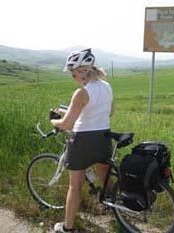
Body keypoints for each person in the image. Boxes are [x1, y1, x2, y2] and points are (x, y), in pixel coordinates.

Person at [50, 48, 114, 233]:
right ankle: (115, 210)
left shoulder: (81, 93)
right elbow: (109, 112)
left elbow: (67, 124)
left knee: (75, 187)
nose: (73, 78)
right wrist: (75, 112)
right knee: (106, 178)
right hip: (103, 138)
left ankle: (67, 228)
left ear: (81, 71)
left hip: (83, 142)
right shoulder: (107, 86)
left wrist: (53, 119)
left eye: (72, 73)